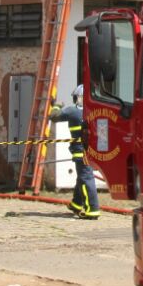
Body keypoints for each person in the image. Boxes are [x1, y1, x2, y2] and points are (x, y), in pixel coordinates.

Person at [50, 85, 99, 219]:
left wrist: (57, 105)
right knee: (82, 177)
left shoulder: (72, 111)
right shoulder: (95, 111)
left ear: (77, 98)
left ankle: (92, 209)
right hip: (92, 151)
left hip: (80, 152)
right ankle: (77, 204)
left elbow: (53, 116)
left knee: (86, 178)